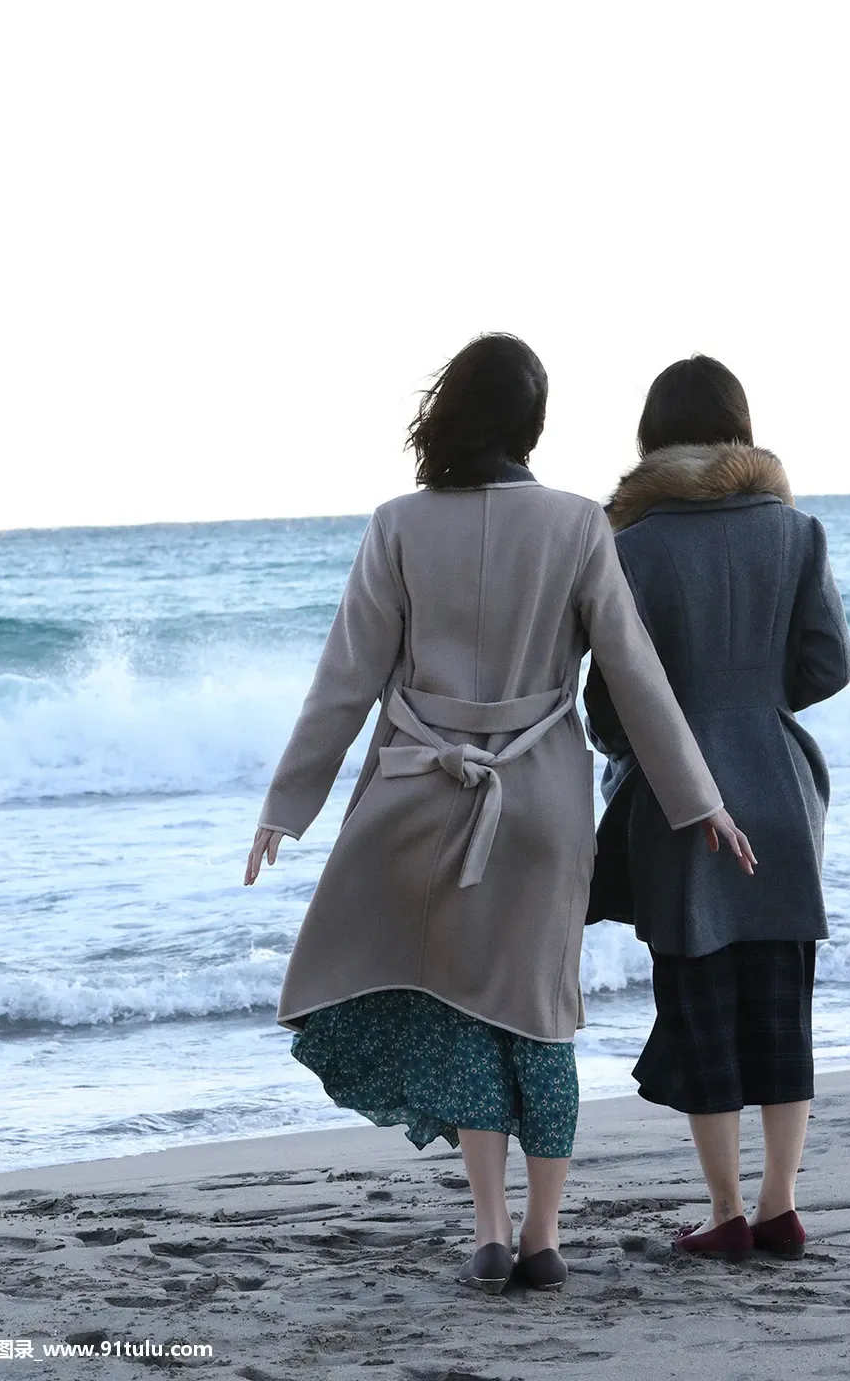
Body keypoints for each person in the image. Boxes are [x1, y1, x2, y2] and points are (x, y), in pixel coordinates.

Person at [245, 334, 754, 1296]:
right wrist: (700, 802)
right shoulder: (577, 525)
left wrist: (287, 805)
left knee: (462, 1013)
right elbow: (634, 676)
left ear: (449, 415)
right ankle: (543, 1236)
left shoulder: (397, 525)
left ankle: (488, 1231)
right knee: (542, 1016)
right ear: (534, 425)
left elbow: (345, 679)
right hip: (541, 803)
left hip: (420, 795)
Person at [584, 355, 850, 1262]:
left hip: (678, 799)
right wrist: (758, 706)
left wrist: (645, 742)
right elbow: (830, 664)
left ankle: (725, 1213)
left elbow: (607, 704)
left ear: (651, 438)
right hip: (780, 790)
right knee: (781, 1005)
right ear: (741, 430)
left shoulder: (631, 549)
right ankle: (781, 1206)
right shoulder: (796, 531)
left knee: (698, 1005)